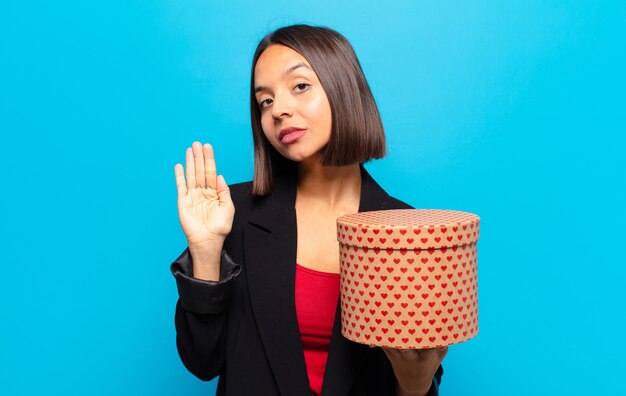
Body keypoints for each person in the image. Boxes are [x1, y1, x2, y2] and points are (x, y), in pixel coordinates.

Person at [170, 24, 446, 396]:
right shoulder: (228, 212)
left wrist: (415, 382)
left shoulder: (406, 230)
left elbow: (416, 375)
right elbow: (202, 363)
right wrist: (205, 254)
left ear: (343, 88)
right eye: (264, 101)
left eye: (299, 86)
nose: (279, 110)